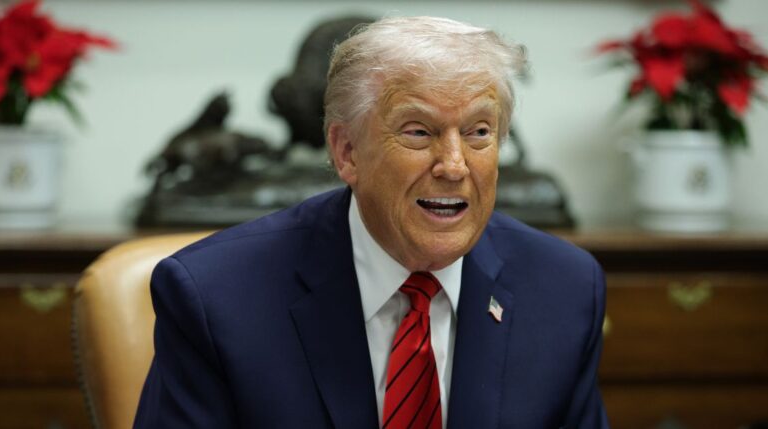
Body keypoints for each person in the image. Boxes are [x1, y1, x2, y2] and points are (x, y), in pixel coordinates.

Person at [134, 16, 609, 429]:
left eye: (478, 132)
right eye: (418, 132)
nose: (454, 165)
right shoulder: (216, 298)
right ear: (347, 152)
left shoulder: (564, 289)